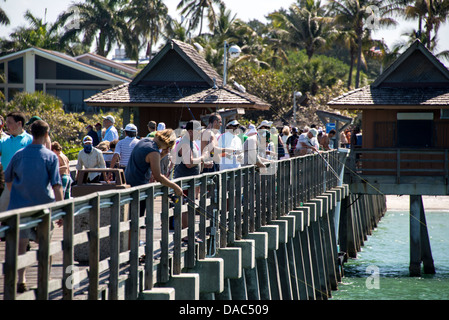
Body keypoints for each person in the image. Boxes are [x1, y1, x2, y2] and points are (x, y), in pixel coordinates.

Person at [4, 120, 63, 293]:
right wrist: (61, 210)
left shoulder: (19, 154)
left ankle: (20, 279)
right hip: (43, 208)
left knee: (21, 245)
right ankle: (45, 277)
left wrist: (17, 191)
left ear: (31, 133)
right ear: (46, 134)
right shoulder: (51, 156)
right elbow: (57, 185)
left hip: (20, 207)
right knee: (45, 243)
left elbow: (8, 178)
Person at [125, 129, 183, 214]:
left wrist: (162, 154)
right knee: (137, 218)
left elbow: (148, 161)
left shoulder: (145, 140)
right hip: (139, 188)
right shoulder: (153, 151)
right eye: (169, 147)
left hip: (129, 183)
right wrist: (175, 187)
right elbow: (158, 176)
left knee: (130, 218)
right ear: (167, 144)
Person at [0, 111, 33, 212]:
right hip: (8, 186)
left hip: (26, 187)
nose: (6, 125)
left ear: (19, 123)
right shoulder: (3, 141)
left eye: (9, 122)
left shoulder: (31, 140)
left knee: (25, 219)